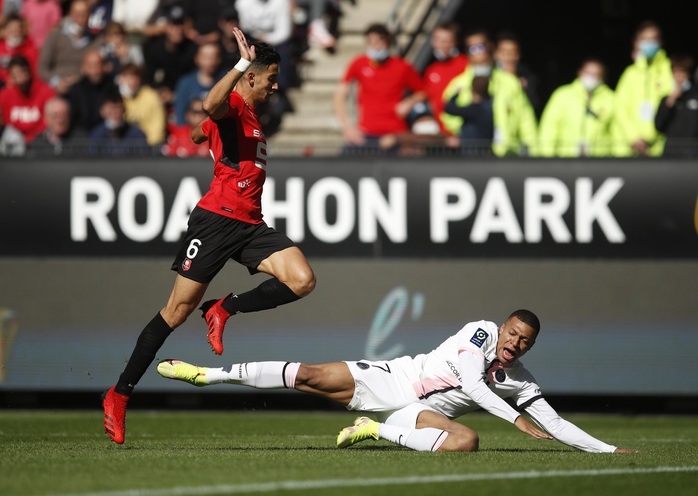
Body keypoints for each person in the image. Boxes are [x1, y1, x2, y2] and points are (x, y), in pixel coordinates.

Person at [102, 28, 316, 445]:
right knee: (177, 311)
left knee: (302, 279)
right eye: (271, 77)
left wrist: (207, 134)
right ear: (251, 77)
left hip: (251, 224)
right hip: (216, 221)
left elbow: (201, 129)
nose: (276, 85)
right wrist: (235, 67)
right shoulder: (235, 103)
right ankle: (119, 394)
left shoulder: (247, 116)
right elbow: (210, 105)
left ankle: (224, 308)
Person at [157, 309, 636, 454]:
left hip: (418, 414)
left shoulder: (520, 379)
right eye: (514, 332)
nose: (515, 342)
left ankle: (376, 430)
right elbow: (472, 382)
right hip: (395, 379)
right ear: (504, 327)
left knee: (466, 443)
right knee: (308, 377)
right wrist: (514, 419)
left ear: (531, 346)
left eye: (525, 340)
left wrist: (610, 451)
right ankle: (207, 375)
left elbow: (555, 422)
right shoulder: (480, 332)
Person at [441, 29, 537, 157]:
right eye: (473, 48)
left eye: (482, 46)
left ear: (491, 47)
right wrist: (469, 132)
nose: (479, 52)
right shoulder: (458, 85)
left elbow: (526, 119)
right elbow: (447, 115)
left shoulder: (509, 82)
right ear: (467, 53)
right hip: (473, 154)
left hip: (506, 154)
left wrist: (534, 152)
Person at [333, 23, 427, 153]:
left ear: (388, 43)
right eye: (371, 42)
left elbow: (423, 92)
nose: (375, 47)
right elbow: (340, 95)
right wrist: (347, 127)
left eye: (379, 42)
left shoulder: (402, 66)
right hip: (366, 133)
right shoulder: (359, 63)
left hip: (395, 133)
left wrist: (409, 102)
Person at [611, 21, 672, 157]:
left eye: (653, 39)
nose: (649, 43)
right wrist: (633, 137)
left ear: (661, 42)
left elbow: (669, 108)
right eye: (645, 39)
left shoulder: (669, 70)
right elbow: (620, 108)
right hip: (628, 149)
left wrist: (650, 138)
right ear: (636, 43)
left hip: (658, 149)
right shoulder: (630, 73)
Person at [536, 58, 614, 157]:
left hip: (600, 163)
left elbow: (617, 132)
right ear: (580, 72)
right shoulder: (562, 95)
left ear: (603, 77)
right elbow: (549, 129)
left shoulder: (612, 99)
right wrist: (546, 158)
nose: (591, 77)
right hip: (566, 161)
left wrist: (619, 163)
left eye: (596, 74)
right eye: (588, 73)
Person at [38, 0, 102, 96]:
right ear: (70, 15)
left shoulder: (96, 41)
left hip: (84, 89)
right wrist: (56, 81)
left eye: (84, 14)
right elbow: (42, 69)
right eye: (77, 14)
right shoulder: (55, 36)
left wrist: (79, 79)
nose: (80, 18)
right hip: (55, 87)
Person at [142, 4, 198, 113]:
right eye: (173, 24)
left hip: (186, 97)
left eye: (180, 24)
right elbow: (149, 77)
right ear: (166, 27)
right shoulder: (155, 48)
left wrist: (176, 95)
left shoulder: (192, 49)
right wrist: (160, 90)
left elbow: (195, 78)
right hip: (161, 95)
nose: (177, 29)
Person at [421, 22, 468, 134]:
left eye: (445, 41)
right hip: (440, 133)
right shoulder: (431, 70)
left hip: (462, 131)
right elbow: (430, 100)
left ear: (455, 42)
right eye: (437, 40)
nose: (441, 45)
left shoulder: (466, 66)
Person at [0, 55, 56, 143]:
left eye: (21, 73)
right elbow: (4, 121)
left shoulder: (46, 91)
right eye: (15, 75)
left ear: (29, 72)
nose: (19, 79)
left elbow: (49, 121)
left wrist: (31, 137)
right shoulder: (5, 94)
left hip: (40, 137)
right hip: (14, 139)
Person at [654, 54, 698, 158]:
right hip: (670, 154)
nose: (679, 77)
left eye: (682, 72)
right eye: (676, 72)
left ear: (689, 74)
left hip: (693, 155)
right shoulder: (666, 100)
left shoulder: (695, 98)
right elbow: (658, 126)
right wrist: (670, 103)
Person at [173, 41, 225, 126]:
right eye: (205, 57)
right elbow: (180, 116)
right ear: (197, 58)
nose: (210, 61)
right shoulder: (185, 83)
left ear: (219, 58)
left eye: (213, 57)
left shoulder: (225, 80)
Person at [117, 62, 167, 146]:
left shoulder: (152, 97)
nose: (131, 81)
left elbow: (158, 129)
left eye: (134, 77)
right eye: (127, 77)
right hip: (124, 145)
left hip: (149, 146)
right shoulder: (118, 98)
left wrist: (146, 145)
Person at [493, 31, 542, 117]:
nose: (509, 57)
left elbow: (534, 106)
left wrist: (522, 87)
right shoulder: (489, 76)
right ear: (496, 54)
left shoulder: (528, 77)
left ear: (519, 55)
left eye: (513, 52)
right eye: (504, 52)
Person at [444, 75, 494, 155]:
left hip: (472, 151)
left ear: (472, 90)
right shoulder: (490, 106)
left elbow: (449, 109)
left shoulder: (475, 109)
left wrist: (456, 94)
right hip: (486, 150)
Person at [0, 13, 39, 86]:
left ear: (22, 32)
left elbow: (34, 73)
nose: (15, 34)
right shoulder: (1, 48)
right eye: (11, 31)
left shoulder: (31, 50)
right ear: (5, 32)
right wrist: (6, 78)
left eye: (17, 31)